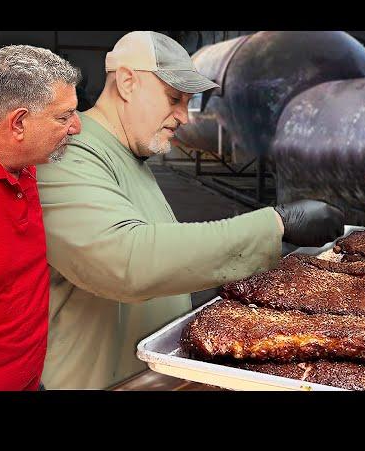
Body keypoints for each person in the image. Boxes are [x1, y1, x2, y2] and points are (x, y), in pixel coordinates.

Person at [36, 31, 344, 389]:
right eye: (174, 98)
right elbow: (124, 260)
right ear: (127, 82)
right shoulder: (67, 154)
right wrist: (276, 224)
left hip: (150, 377)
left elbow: (171, 253)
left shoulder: (131, 157)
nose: (183, 116)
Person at [0, 45, 81, 390]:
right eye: (63, 117)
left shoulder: (23, 163)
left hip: (30, 378)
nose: (76, 127)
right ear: (19, 122)